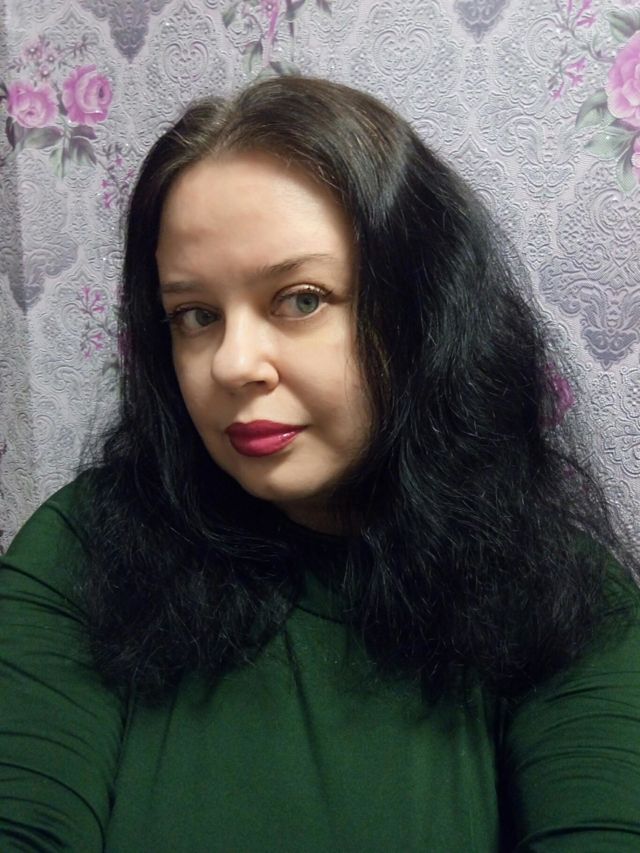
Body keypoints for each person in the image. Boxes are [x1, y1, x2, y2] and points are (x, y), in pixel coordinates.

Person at [1, 74, 639, 852]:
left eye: (300, 299)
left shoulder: (560, 596)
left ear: (421, 312)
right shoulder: (79, 552)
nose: (233, 363)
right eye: (195, 315)